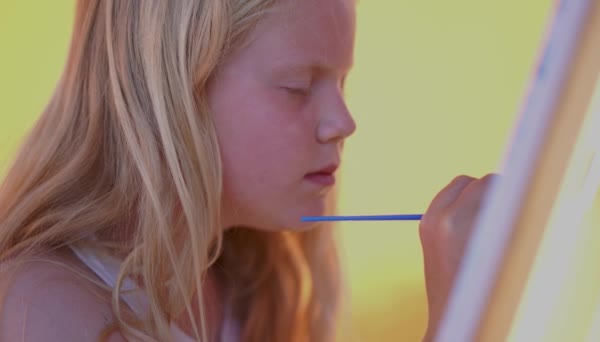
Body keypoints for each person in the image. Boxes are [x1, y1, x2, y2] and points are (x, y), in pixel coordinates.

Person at [0, 0, 495, 341]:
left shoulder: (250, 288)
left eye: (342, 82)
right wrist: (460, 317)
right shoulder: (43, 312)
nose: (343, 122)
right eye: (299, 86)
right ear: (173, 95)